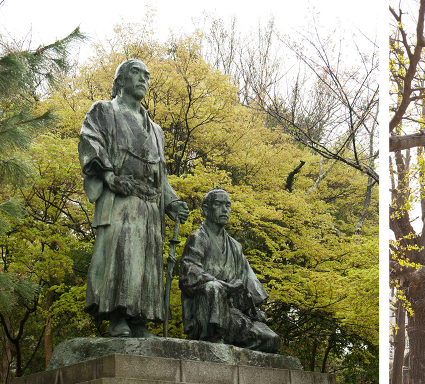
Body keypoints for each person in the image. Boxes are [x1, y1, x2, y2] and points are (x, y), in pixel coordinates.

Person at [79, 59, 190, 337]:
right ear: (119, 81)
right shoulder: (104, 111)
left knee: (147, 261)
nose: (143, 79)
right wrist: (108, 176)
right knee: (121, 254)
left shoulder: (156, 130)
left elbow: (160, 174)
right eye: (135, 73)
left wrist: (172, 201)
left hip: (150, 205)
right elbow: (91, 143)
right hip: (121, 197)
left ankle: (139, 319)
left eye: (147, 75)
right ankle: (117, 316)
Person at [179, 188, 280, 352]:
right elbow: (188, 273)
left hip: (231, 313)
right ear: (206, 209)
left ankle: (237, 353)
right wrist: (222, 284)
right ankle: (213, 338)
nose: (225, 209)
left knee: (271, 341)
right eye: (218, 204)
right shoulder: (198, 238)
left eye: (228, 205)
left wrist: (255, 310)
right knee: (213, 288)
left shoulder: (235, 246)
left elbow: (248, 284)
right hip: (205, 311)